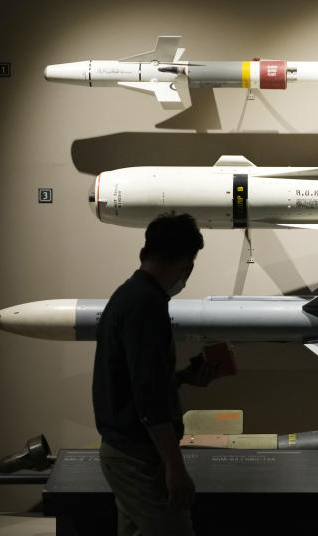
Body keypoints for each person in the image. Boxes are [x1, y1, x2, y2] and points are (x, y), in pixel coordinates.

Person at [93, 212, 204, 536]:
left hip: (123, 451)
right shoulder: (146, 304)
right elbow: (148, 396)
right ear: (186, 263)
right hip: (138, 456)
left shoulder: (129, 296)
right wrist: (174, 466)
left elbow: (137, 379)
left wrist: (181, 377)